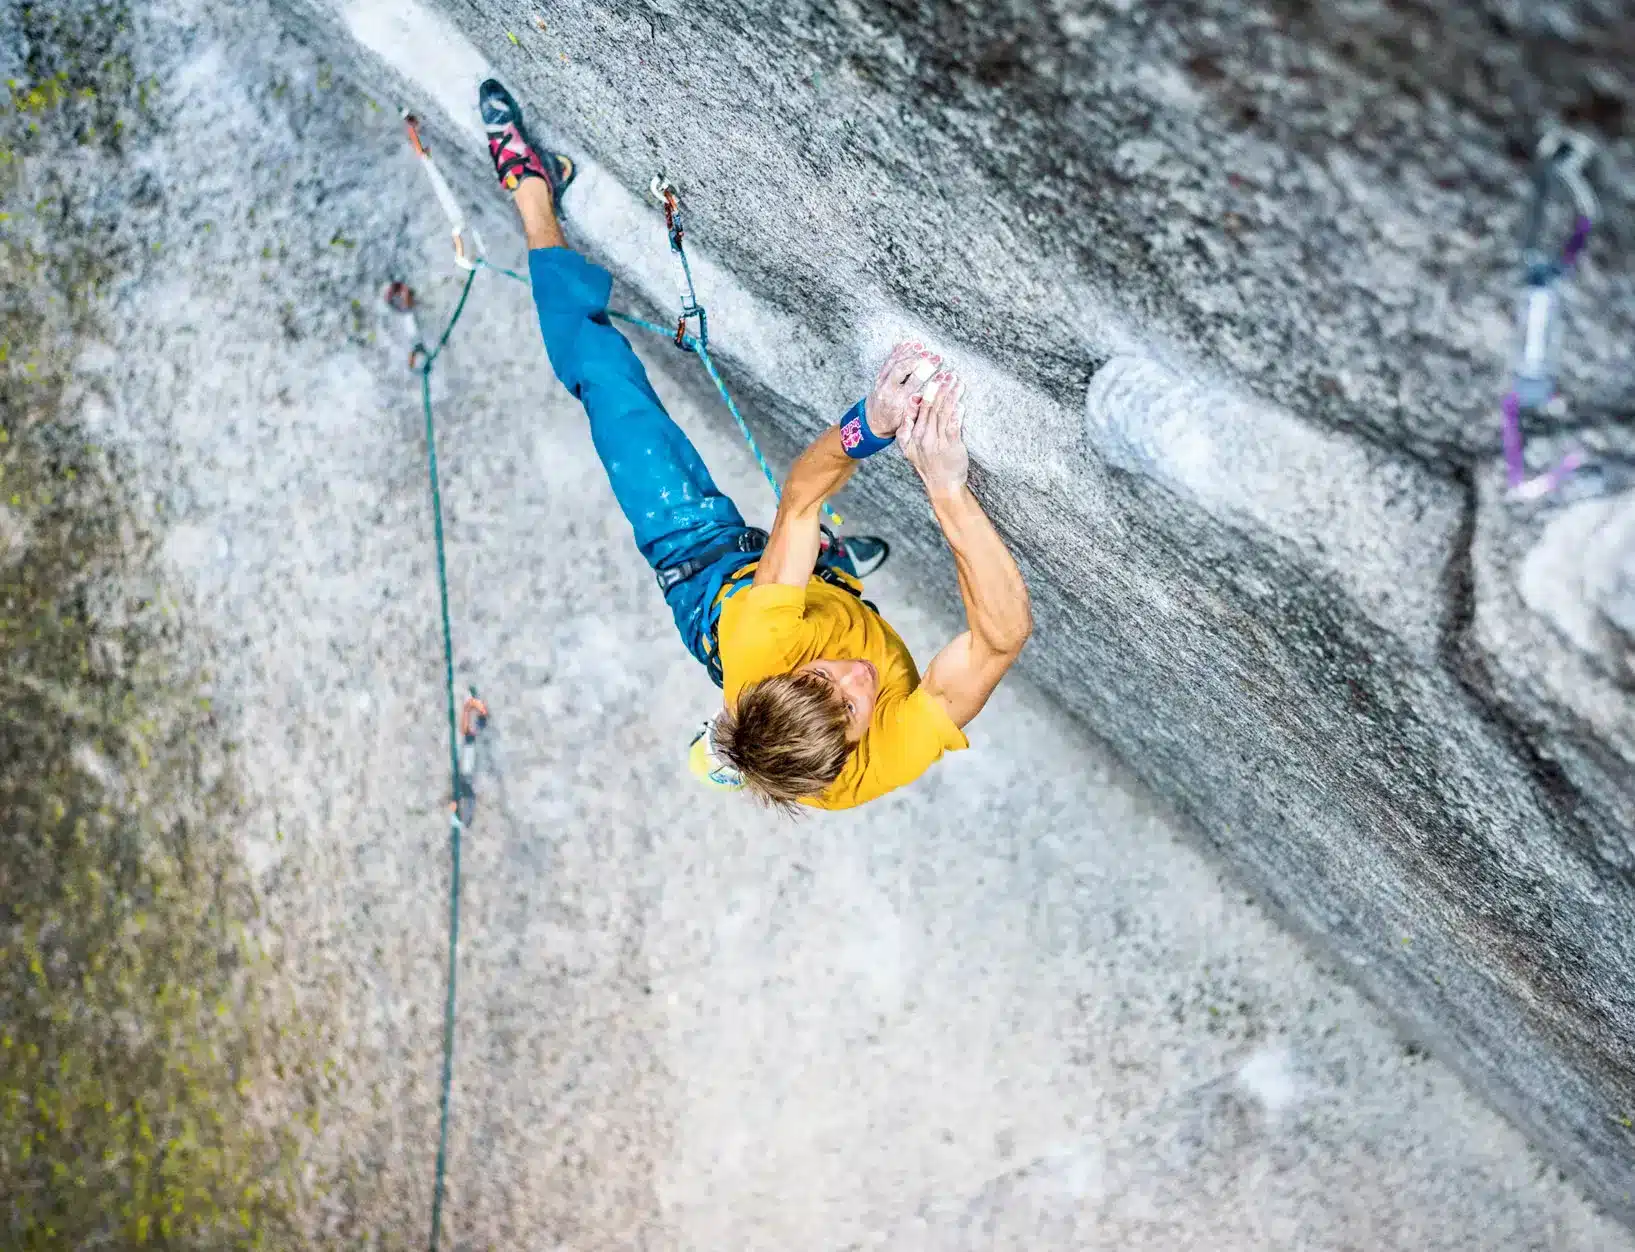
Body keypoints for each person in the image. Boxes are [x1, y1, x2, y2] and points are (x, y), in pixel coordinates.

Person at [481, 78, 1032, 811]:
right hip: (799, 602)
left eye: (818, 681)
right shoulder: (872, 768)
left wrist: (868, 422)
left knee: (606, 390)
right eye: (848, 705)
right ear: (852, 751)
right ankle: (832, 576)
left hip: (707, 576)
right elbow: (998, 642)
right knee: (824, 577)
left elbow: (802, 500)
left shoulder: (762, 648)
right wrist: (944, 487)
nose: (853, 679)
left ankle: (531, 197)